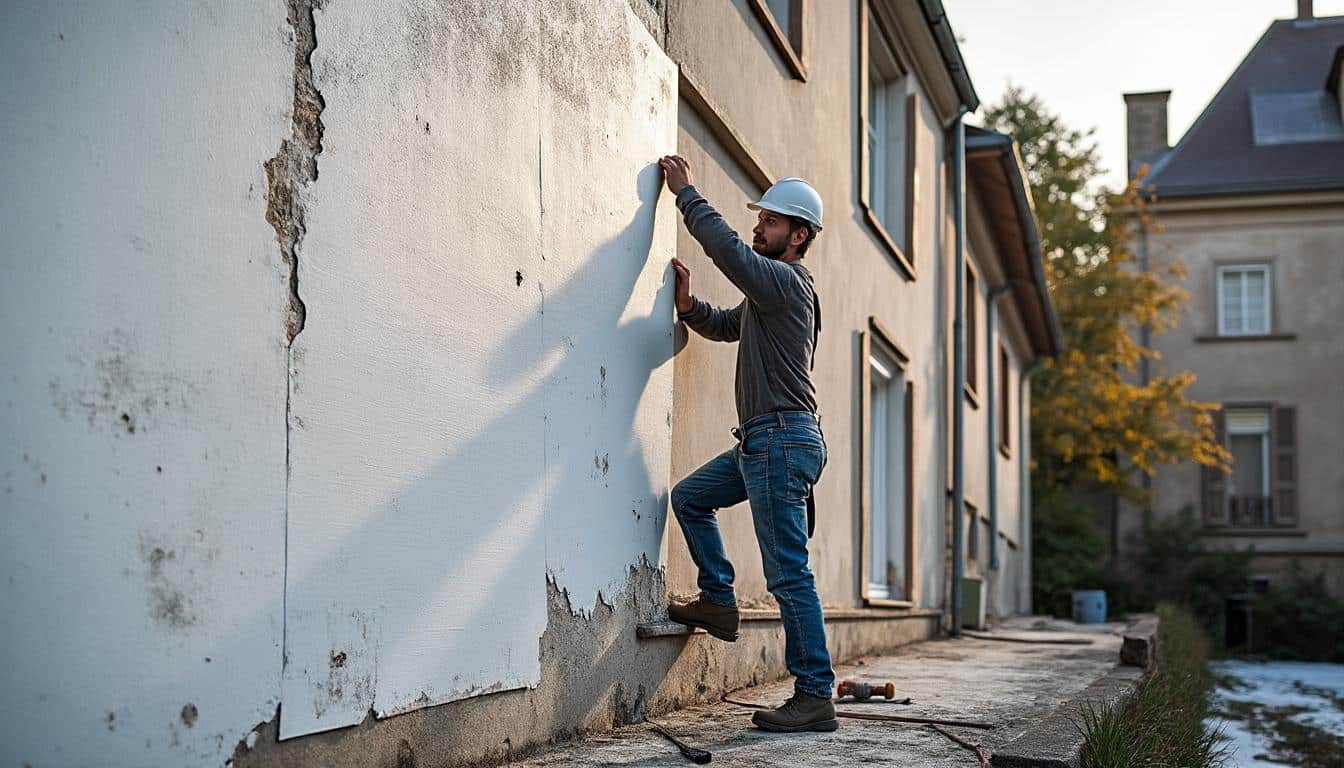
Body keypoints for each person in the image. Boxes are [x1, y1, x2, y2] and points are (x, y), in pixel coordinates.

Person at [657, 154, 836, 733]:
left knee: (788, 574)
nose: (758, 228)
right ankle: (719, 602)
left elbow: (730, 253)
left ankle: (815, 695)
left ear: (797, 235)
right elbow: (727, 325)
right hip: (764, 442)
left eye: (769, 222)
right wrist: (687, 308)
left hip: (781, 441)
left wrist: (686, 195)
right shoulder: (771, 298)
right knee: (690, 497)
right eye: (759, 221)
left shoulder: (785, 283)